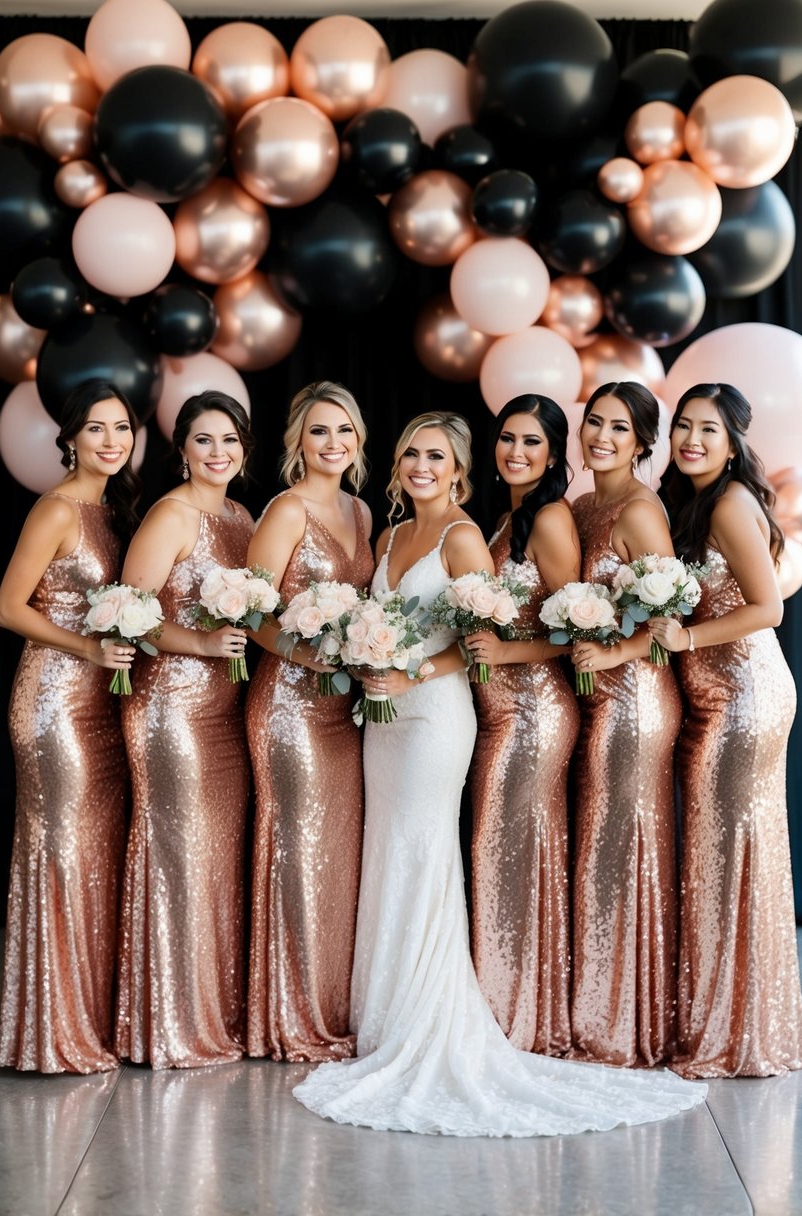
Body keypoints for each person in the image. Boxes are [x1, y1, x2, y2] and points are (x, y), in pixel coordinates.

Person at [293, 411, 706, 1137]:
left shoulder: (467, 535)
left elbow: (482, 642)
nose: (422, 465)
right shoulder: (391, 537)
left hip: (437, 716)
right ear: (396, 464)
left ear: (457, 471)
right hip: (384, 720)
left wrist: (413, 666)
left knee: (424, 852)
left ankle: (429, 1021)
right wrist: (368, 660)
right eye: (411, 453)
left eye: (437, 456)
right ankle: (382, 1016)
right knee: (388, 853)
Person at [650, 382, 802, 1078]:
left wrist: (683, 640)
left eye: (707, 430)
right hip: (711, 699)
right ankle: (733, 1021)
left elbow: (768, 607)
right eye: (682, 426)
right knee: (723, 859)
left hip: (744, 696)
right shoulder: (691, 503)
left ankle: (730, 1035)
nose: (690, 439)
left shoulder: (732, 502)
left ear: (733, 441)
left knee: (728, 861)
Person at [0, 380, 140, 1073]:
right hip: (54, 703)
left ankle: (89, 1020)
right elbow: (7, 607)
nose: (110, 441)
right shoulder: (56, 510)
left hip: (108, 706)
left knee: (96, 857)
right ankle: (50, 1033)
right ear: (70, 439)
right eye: (96, 429)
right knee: (59, 856)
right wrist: (86, 648)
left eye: (121, 428)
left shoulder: (117, 512)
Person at [115, 390, 254, 1069]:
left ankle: (213, 1014)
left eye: (228, 440)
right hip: (170, 708)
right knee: (177, 857)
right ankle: (166, 1023)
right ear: (182, 450)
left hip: (228, 714)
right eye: (203, 440)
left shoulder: (243, 517)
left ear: (244, 449)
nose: (217, 452)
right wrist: (198, 645)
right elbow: (124, 615)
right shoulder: (170, 516)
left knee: (216, 862)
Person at [245, 382, 374, 1062]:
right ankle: (290, 1018)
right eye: (319, 431)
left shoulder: (360, 510)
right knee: (297, 850)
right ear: (298, 441)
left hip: (341, 710)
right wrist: (305, 652)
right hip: (289, 705)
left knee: (336, 856)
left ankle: (329, 1007)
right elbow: (252, 611)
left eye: (344, 432)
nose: (332, 444)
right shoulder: (286, 510)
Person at [568, 382, 682, 1068]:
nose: (601, 436)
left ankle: (626, 1024)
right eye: (593, 422)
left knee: (621, 847)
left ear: (642, 443)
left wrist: (614, 650)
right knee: (600, 848)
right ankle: (600, 1009)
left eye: (618, 427)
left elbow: (673, 621)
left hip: (634, 698)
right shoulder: (583, 506)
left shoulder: (639, 511)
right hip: (593, 697)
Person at [466, 395, 580, 1055]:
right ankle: (506, 1008)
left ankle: (521, 1020)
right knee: (500, 855)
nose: (515, 452)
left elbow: (573, 627)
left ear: (554, 454)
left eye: (531, 443)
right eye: (507, 439)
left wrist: (507, 652)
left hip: (534, 709)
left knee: (510, 855)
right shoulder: (511, 514)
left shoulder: (550, 519)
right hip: (500, 710)